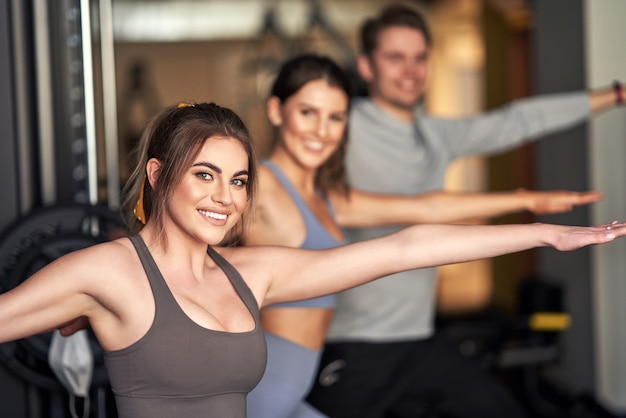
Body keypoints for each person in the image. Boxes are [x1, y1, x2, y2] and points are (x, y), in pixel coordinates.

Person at [0, 102, 622, 418]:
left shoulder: (251, 274)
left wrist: (541, 234)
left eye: (239, 181)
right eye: (206, 175)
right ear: (160, 177)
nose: (224, 197)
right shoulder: (108, 271)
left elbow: (404, 247)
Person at [305, 4, 625, 418]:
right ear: (366, 66)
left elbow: (518, 121)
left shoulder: (436, 134)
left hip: (420, 338)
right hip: (352, 343)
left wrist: (616, 94)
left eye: (420, 57)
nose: (410, 70)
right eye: (395, 57)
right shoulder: (339, 127)